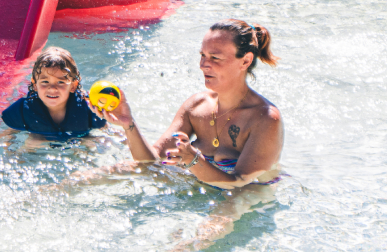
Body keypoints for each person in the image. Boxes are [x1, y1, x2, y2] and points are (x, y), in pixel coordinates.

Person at [88, 19, 283, 249]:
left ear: (246, 60)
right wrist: (128, 124)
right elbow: (149, 161)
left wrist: (192, 160)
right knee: (119, 168)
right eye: (202, 55)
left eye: (215, 58)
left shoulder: (265, 118)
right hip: (198, 180)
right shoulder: (197, 105)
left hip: (244, 192)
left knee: (221, 216)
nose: (203, 65)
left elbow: (237, 182)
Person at [0, 46, 106, 140]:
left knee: (89, 142)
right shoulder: (22, 110)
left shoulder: (89, 108)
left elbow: (110, 134)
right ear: (35, 84)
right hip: (39, 150)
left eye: (60, 82)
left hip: (78, 144)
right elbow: (6, 135)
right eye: (45, 82)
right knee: (33, 141)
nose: (52, 88)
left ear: (73, 86)